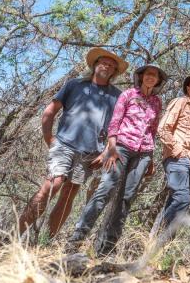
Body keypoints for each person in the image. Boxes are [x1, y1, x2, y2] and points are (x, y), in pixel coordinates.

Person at [18, 47, 127, 238]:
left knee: (69, 193)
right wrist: (49, 139)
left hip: (91, 153)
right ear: (95, 65)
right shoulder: (74, 85)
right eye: (104, 62)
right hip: (65, 144)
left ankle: (47, 242)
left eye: (111, 66)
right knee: (53, 184)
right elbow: (49, 112)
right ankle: (13, 237)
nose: (107, 67)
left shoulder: (117, 96)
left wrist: (106, 152)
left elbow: (116, 127)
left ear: (114, 72)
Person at [67, 64, 165, 254]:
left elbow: (152, 130)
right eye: (148, 74)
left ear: (159, 80)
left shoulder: (157, 101)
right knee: (105, 189)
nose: (151, 77)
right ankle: (76, 240)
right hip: (121, 148)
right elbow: (115, 122)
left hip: (144, 153)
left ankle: (106, 248)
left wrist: (151, 157)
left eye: (155, 75)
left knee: (126, 197)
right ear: (141, 76)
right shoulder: (128, 94)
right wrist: (111, 148)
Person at [157, 73, 190, 232]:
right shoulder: (180, 102)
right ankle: (162, 238)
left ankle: (160, 244)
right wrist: (177, 150)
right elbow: (163, 128)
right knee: (182, 199)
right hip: (178, 158)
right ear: (188, 88)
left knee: (176, 201)